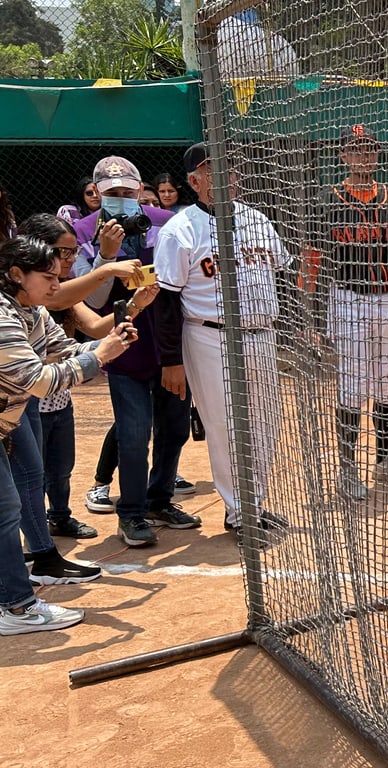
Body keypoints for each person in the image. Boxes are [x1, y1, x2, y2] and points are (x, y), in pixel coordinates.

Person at [155, 142, 290, 542]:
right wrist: (170, 360)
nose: (225, 175)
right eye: (213, 169)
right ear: (194, 181)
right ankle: (238, 513)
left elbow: (283, 275)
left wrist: (297, 329)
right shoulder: (180, 229)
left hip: (263, 334)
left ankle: (255, 503)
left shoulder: (258, 220)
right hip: (209, 336)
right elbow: (164, 301)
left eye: (229, 168)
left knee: (266, 422)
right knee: (225, 425)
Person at [0, 236, 134, 625]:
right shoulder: (3, 318)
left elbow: (67, 351)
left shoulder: (33, 312)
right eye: (48, 278)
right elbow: (37, 381)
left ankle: (14, 601)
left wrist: (107, 346)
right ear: (15, 275)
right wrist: (100, 358)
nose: (57, 287)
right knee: (7, 508)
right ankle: (15, 605)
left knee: (6, 508)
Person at [303, 124, 388, 501]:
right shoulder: (327, 200)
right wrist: (309, 320)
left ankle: (385, 460)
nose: (364, 155)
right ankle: (347, 470)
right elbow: (311, 265)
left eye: (370, 148)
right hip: (348, 299)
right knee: (352, 386)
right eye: (356, 149)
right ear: (343, 156)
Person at [77, 156, 197, 547]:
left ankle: (158, 499)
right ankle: (130, 513)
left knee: (175, 429)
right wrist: (106, 256)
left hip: (169, 346)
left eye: (129, 192)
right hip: (122, 351)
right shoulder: (80, 231)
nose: (122, 200)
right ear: (97, 194)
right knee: (132, 435)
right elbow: (89, 302)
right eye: (113, 194)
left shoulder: (165, 222)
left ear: (140, 188)